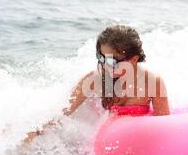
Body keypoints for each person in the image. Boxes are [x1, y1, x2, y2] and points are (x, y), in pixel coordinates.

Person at [23, 25, 170, 144]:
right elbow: (64, 111)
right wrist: (35, 131)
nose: (106, 66)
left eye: (112, 61)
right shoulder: (95, 80)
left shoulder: (152, 82)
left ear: (133, 59)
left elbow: (164, 126)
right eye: (101, 58)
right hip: (107, 144)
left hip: (138, 141)